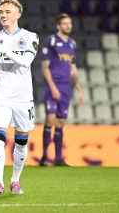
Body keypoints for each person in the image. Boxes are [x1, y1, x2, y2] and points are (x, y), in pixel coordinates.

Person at [0, 0, 39, 195]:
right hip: (1, 96)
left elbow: (25, 61)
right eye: (1, 12)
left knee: (21, 141)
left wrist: (2, 49)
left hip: (23, 99)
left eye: (7, 12)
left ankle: (15, 180)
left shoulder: (31, 37)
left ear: (18, 14)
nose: (3, 15)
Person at [39, 13, 83, 167]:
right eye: (65, 23)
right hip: (53, 84)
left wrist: (78, 87)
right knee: (50, 119)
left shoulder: (72, 44)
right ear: (58, 26)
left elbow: (72, 66)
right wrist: (52, 87)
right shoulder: (51, 41)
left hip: (66, 86)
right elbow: (44, 67)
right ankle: (44, 157)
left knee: (61, 121)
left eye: (69, 23)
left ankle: (58, 158)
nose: (68, 26)